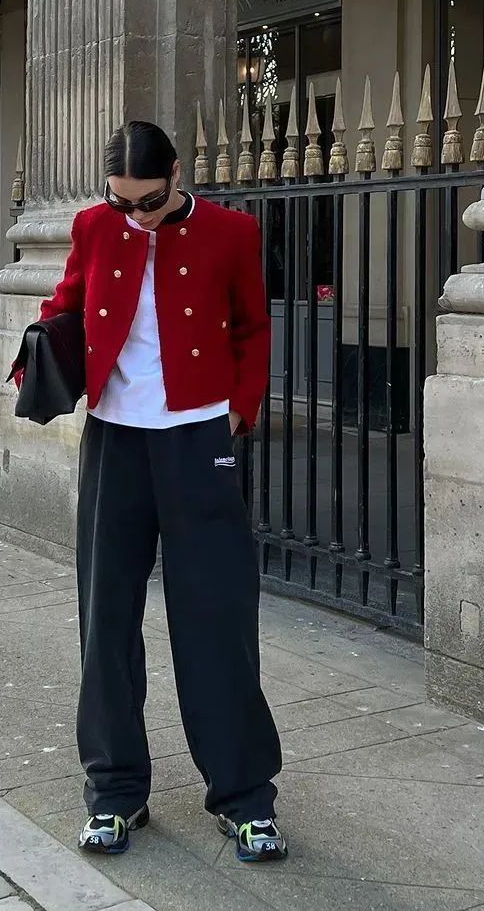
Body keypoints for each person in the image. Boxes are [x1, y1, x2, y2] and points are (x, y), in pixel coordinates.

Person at [26, 120, 286, 862]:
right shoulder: (93, 227)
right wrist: (45, 351)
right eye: (122, 202)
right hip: (115, 439)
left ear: (177, 174)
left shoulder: (232, 233)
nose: (135, 215)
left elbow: (253, 327)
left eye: (149, 200)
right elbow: (66, 303)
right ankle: (115, 793)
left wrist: (237, 411)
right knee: (106, 617)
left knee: (217, 618)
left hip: (198, 438)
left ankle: (244, 797)